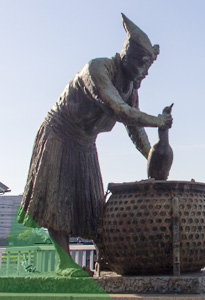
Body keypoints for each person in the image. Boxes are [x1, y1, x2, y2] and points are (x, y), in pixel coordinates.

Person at [17, 13, 172, 277]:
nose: (146, 71)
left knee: (91, 203)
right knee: (59, 200)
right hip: (60, 133)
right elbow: (119, 110)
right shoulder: (97, 70)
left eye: (149, 66)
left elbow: (134, 130)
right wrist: (157, 120)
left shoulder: (129, 87)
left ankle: (107, 256)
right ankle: (63, 263)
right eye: (143, 64)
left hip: (85, 141)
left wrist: (151, 155)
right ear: (128, 56)